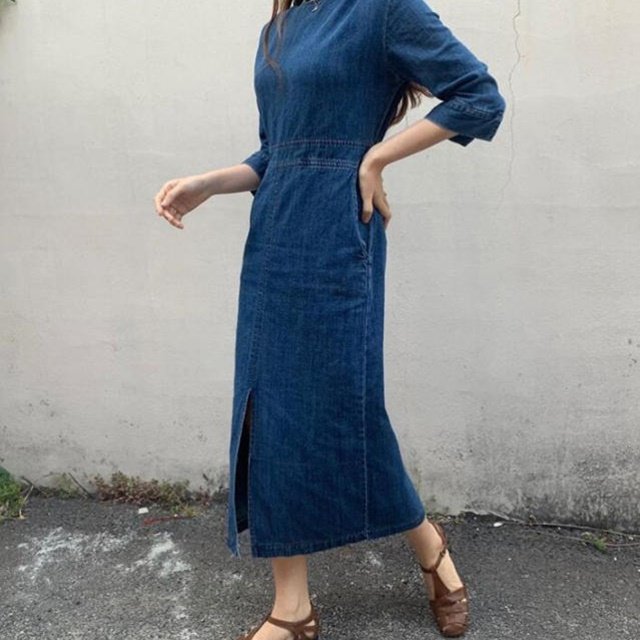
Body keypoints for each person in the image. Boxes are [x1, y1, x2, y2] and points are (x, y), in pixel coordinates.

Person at [153, 0, 505, 638]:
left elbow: (479, 96)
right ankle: (293, 608)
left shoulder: (381, 11)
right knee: (269, 406)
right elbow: (275, 153)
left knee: (347, 406)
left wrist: (375, 159)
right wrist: (210, 183)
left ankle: (429, 545)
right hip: (275, 233)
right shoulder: (278, 30)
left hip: (341, 232)